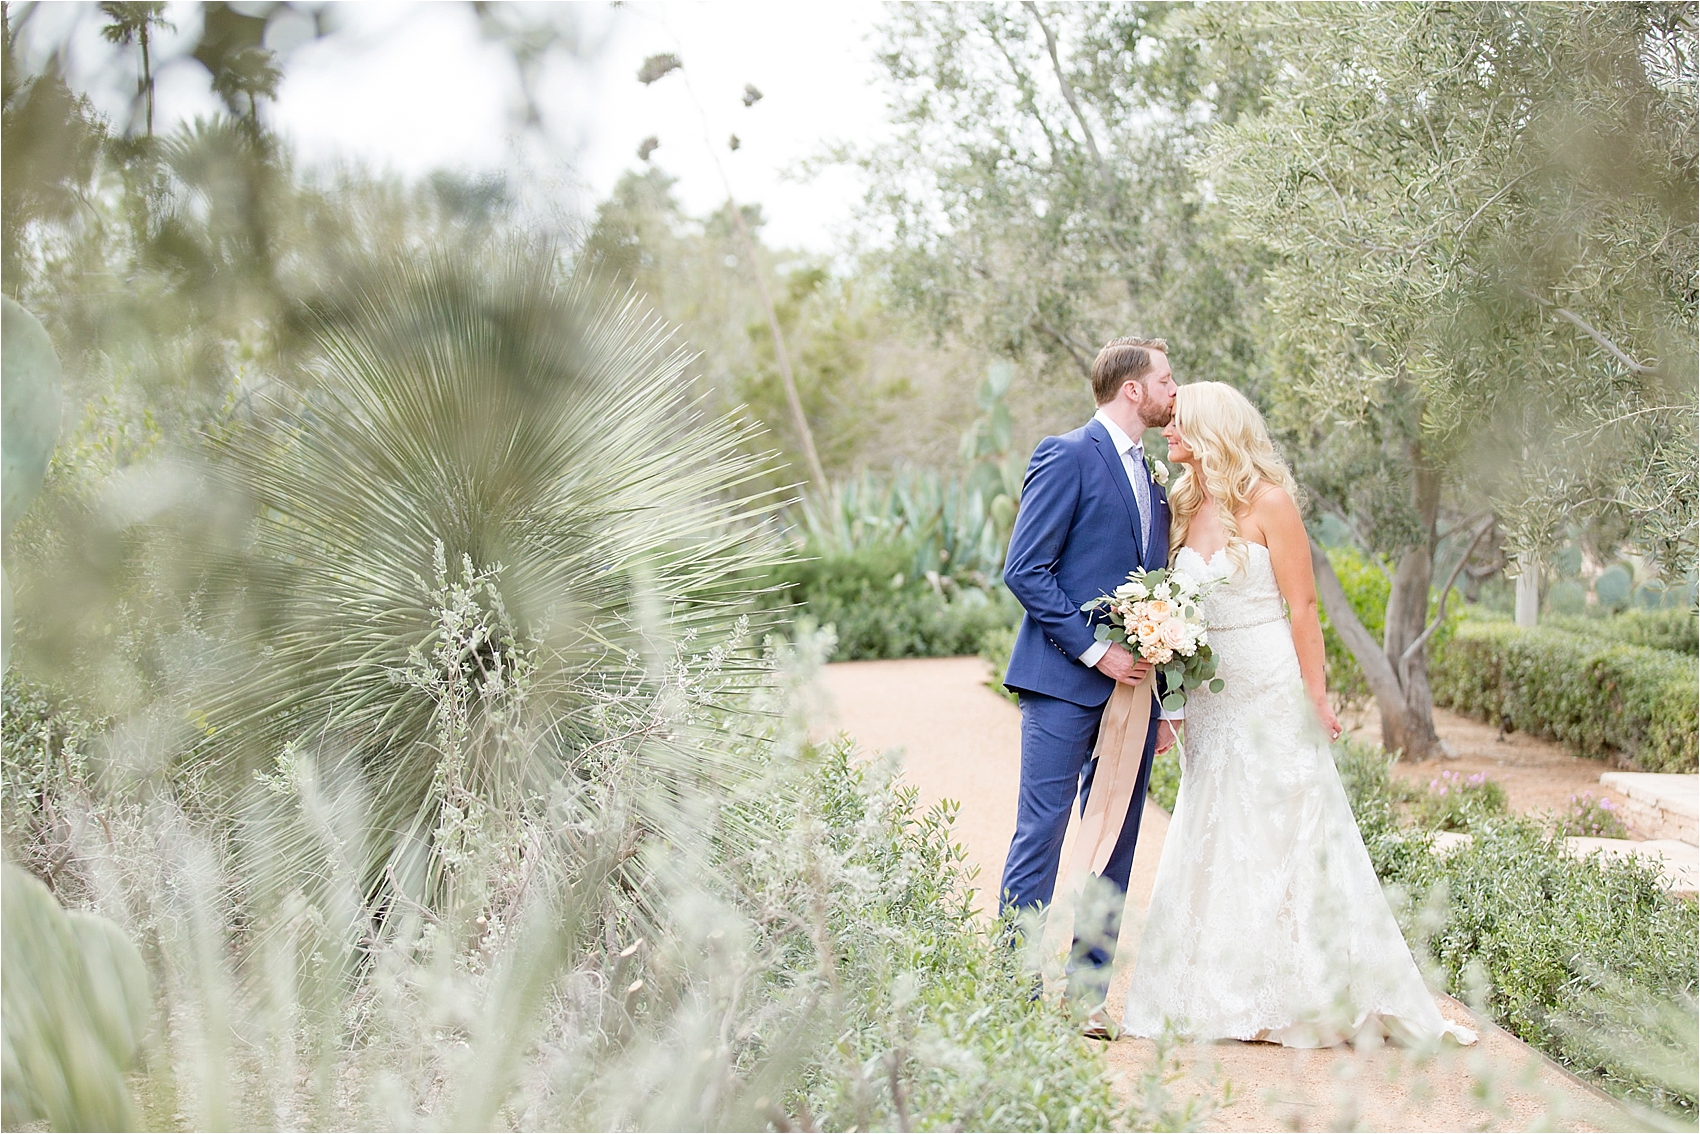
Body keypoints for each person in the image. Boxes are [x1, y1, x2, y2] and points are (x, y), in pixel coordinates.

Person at [1120, 381, 1475, 1048]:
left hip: (1271, 687)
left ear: (1213, 431)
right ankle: (1219, 990)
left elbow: (1304, 608)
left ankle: (1310, 992)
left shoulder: (1270, 503)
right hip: (1211, 697)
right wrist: (1171, 701)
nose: (1170, 431)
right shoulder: (1183, 502)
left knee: (1289, 828)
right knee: (1217, 826)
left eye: (1180, 425)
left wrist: (1316, 696)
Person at [999, 336, 1180, 1035]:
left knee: (1118, 840)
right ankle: (1014, 991)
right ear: (1131, 389)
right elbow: (1025, 569)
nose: (1173, 391)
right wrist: (1091, 651)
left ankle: (1087, 997)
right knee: (1040, 835)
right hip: (1062, 684)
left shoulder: (1156, 480)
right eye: (1165, 380)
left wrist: (1164, 700)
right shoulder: (1066, 454)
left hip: (1136, 693)